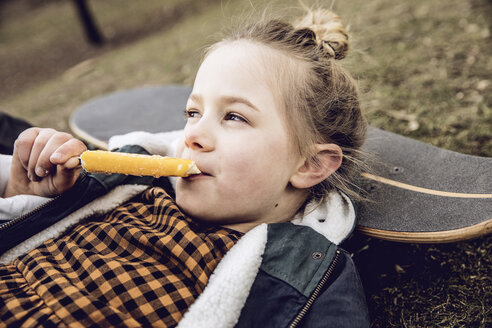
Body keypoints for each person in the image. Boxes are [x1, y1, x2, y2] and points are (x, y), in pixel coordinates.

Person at [0, 8, 370, 327]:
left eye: (234, 117)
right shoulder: (129, 190)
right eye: (193, 112)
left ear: (310, 164)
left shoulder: (313, 271)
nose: (193, 135)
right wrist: (26, 198)